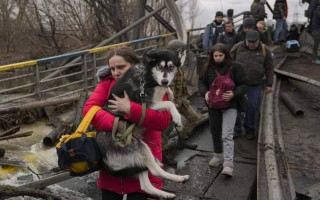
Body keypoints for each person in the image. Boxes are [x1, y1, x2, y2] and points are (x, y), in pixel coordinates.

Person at [82, 46, 172, 200]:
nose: (116, 72)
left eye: (121, 67)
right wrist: (117, 124)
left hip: (142, 159)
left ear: (135, 65)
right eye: (112, 68)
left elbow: (163, 122)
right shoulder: (106, 84)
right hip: (113, 162)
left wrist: (131, 110)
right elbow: (89, 110)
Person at [198, 43, 248, 177]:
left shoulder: (235, 67)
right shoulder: (208, 68)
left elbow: (244, 84)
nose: (218, 58)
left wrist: (234, 94)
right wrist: (205, 93)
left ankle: (228, 164)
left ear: (225, 55)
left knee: (227, 134)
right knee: (215, 131)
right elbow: (201, 82)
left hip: (230, 105)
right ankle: (217, 155)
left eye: (220, 55)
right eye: (215, 56)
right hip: (213, 104)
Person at [230, 30, 274, 140]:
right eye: (249, 42)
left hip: (255, 84)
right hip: (238, 83)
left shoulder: (265, 50)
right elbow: (229, 63)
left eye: (254, 43)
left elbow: (269, 68)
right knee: (236, 106)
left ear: (258, 41)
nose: (251, 44)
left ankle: (249, 128)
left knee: (252, 106)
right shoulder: (238, 47)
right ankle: (236, 128)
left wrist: (269, 84)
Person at [161, 39, 199, 166]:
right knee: (166, 127)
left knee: (193, 117)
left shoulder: (176, 63)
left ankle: (181, 140)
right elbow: (164, 87)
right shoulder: (166, 66)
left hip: (180, 99)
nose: (183, 54)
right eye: (182, 51)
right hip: (170, 102)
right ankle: (163, 151)